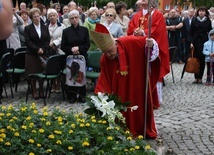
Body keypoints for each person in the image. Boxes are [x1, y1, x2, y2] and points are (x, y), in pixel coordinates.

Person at [90, 23, 169, 139]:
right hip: (118, 90)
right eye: (105, 52)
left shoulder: (131, 42)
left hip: (136, 85)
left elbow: (149, 46)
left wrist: (150, 45)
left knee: (137, 108)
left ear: (115, 43)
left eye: (109, 51)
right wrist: (101, 95)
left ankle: (141, 129)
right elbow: (104, 79)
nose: (108, 55)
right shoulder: (105, 59)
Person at [127, 0, 170, 104]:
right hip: (139, 48)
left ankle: (154, 99)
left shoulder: (157, 14)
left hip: (152, 47)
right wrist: (135, 31)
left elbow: (158, 29)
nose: (142, 0)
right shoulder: (137, 15)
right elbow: (131, 27)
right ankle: (140, 98)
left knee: (153, 71)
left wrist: (143, 32)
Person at [61, 9, 90, 103]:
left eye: (76, 17)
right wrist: (71, 50)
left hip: (82, 56)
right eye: (72, 18)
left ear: (79, 18)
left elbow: (87, 44)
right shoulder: (66, 31)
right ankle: (72, 96)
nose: (74, 19)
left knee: (81, 76)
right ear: (69, 19)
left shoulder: (84, 30)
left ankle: (82, 95)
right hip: (70, 57)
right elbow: (63, 46)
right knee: (71, 76)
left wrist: (79, 49)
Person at [24, 8, 50, 100]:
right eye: (34, 17)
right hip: (31, 54)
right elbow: (28, 41)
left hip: (43, 52)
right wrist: (36, 49)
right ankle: (34, 91)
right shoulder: (27, 28)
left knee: (41, 71)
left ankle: (41, 90)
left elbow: (47, 39)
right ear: (31, 18)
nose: (37, 18)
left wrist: (42, 49)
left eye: (38, 16)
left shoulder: (45, 27)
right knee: (33, 73)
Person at [190, 6, 212, 84]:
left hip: (204, 42)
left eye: (203, 11)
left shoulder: (208, 21)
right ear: (198, 12)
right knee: (196, 60)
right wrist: (191, 42)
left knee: (202, 60)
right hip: (195, 42)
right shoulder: (194, 20)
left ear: (205, 12)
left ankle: (200, 77)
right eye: (200, 11)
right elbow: (191, 32)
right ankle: (196, 77)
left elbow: (210, 33)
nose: (201, 12)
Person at [47, 8, 65, 93]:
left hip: (59, 49)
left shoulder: (61, 26)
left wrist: (54, 43)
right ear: (48, 17)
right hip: (49, 49)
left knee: (58, 66)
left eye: (54, 15)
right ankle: (53, 84)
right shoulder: (46, 26)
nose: (52, 17)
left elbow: (63, 37)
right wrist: (49, 44)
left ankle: (58, 84)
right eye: (50, 16)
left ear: (57, 16)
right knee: (51, 67)